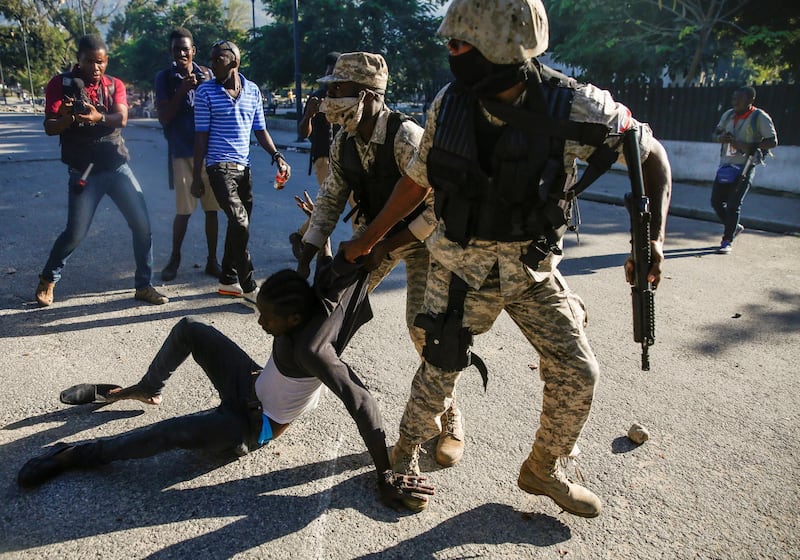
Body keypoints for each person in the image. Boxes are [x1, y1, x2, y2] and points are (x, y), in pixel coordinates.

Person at [342, 0, 673, 516]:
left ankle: (544, 468)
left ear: (501, 46)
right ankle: (402, 455)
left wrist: (650, 237)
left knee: (579, 370)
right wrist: (369, 237)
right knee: (439, 367)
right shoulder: (449, 103)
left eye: (459, 44)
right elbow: (418, 179)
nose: (450, 51)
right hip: (459, 268)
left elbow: (649, 154)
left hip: (531, 269)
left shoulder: (576, 106)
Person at [17, 265, 435, 511]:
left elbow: (363, 403)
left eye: (266, 319)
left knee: (171, 432)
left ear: (291, 320)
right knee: (191, 329)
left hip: (254, 426)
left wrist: (385, 472)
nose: (259, 323)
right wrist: (317, 226)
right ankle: (146, 387)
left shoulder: (315, 352)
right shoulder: (305, 303)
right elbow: (330, 260)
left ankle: (74, 456)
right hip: (250, 384)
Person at [295, 52, 466, 472]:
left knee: (425, 331)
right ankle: (288, 387)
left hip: (427, 239)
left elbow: (436, 204)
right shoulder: (342, 139)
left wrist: (384, 244)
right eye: (329, 88)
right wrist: (312, 245)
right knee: (327, 308)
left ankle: (449, 418)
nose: (329, 98)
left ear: (369, 95)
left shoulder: (406, 135)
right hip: (375, 234)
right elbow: (333, 196)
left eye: (339, 90)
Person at [35, 35, 168, 307]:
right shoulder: (60, 85)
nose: (96, 68)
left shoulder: (114, 84)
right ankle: (49, 278)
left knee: (143, 226)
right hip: (84, 171)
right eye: (90, 62)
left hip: (117, 165)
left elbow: (121, 118)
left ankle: (144, 286)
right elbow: (49, 126)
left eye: (101, 62)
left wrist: (98, 117)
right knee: (75, 233)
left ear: (106, 61)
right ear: (79, 61)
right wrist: (69, 118)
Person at [192, 40, 290, 304]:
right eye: (211, 60)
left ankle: (227, 279)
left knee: (239, 227)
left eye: (217, 60)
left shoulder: (253, 91)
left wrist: (277, 156)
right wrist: (195, 175)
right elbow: (200, 136)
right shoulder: (205, 92)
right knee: (239, 222)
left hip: (244, 168)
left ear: (233, 62)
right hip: (217, 167)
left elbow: (260, 129)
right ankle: (248, 286)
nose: (212, 65)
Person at [155, 27, 222, 281]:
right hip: (182, 152)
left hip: (211, 152)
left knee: (212, 210)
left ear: (193, 51)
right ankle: (174, 260)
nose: (181, 53)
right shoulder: (164, 78)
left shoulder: (208, 73)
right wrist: (182, 90)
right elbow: (163, 118)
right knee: (184, 210)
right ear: (171, 52)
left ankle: (212, 261)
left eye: (186, 49)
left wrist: (209, 87)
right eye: (176, 49)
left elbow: (220, 107)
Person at [710, 86, 777, 254]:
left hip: (745, 166)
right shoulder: (728, 115)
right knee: (716, 202)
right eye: (733, 99)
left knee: (733, 205)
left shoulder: (759, 117)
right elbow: (714, 134)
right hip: (726, 166)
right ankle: (734, 227)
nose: (735, 103)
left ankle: (727, 241)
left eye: (738, 100)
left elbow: (772, 141)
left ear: (750, 100)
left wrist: (749, 146)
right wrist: (720, 138)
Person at [290, 51, 342, 258]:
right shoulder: (317, 97)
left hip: (345, 159)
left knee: (338, 206)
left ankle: (300, 235)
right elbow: (303, 132)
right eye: (330, 72)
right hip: (323, 158)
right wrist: (310, 116)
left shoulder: (346, 96)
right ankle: (323, 254)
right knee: (328, 206)